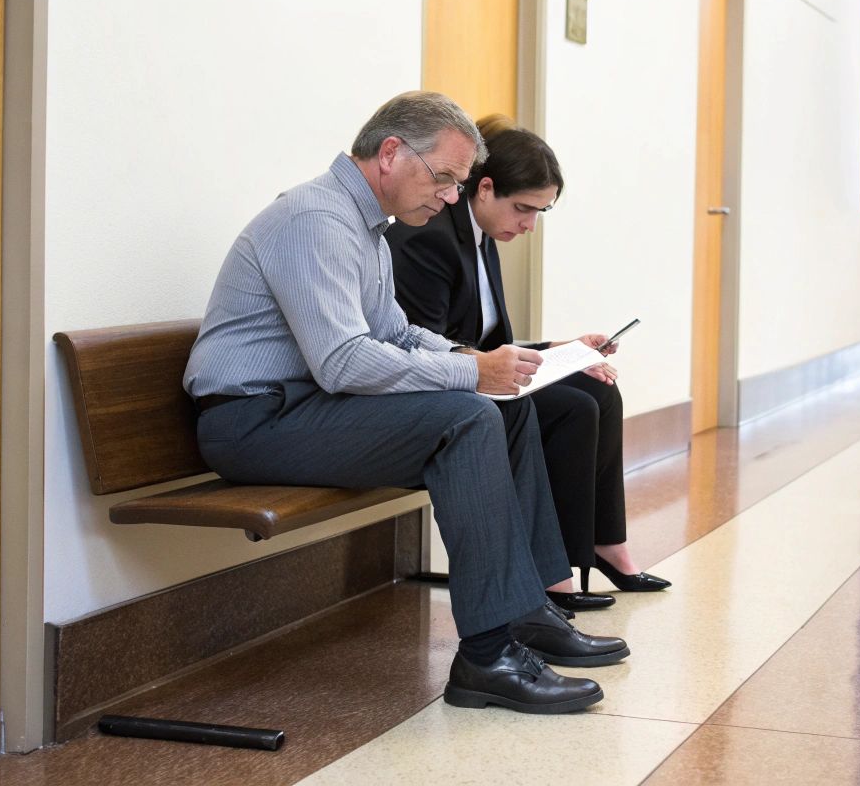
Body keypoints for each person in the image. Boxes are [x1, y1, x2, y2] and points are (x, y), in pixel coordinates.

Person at [182, 90, 627, 714]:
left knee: (507, 402)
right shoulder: (316, 219)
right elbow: (342, 362)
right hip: (254, 420)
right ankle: (488, 655)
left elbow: (395, 333)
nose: (450, 197)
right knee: (471, 413)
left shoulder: (365, 227)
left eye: (457, 183)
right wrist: (470, 378)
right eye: (443, 178)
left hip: (301, 409)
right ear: (390, 153)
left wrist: (477, 364)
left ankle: (526, 608)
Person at [387, 116, 671, 610]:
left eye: (539, 212)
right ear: (486, 187)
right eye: (523, 209)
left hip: (472, 372)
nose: (528, 224)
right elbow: (428, 345)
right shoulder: (430, 237)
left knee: (599, 390)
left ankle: (602, 544)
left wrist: (562, 349)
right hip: (437, 385)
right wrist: (531, 361)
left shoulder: (479, 236)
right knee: (573, 409)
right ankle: (551, 571)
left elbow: (489, 342)